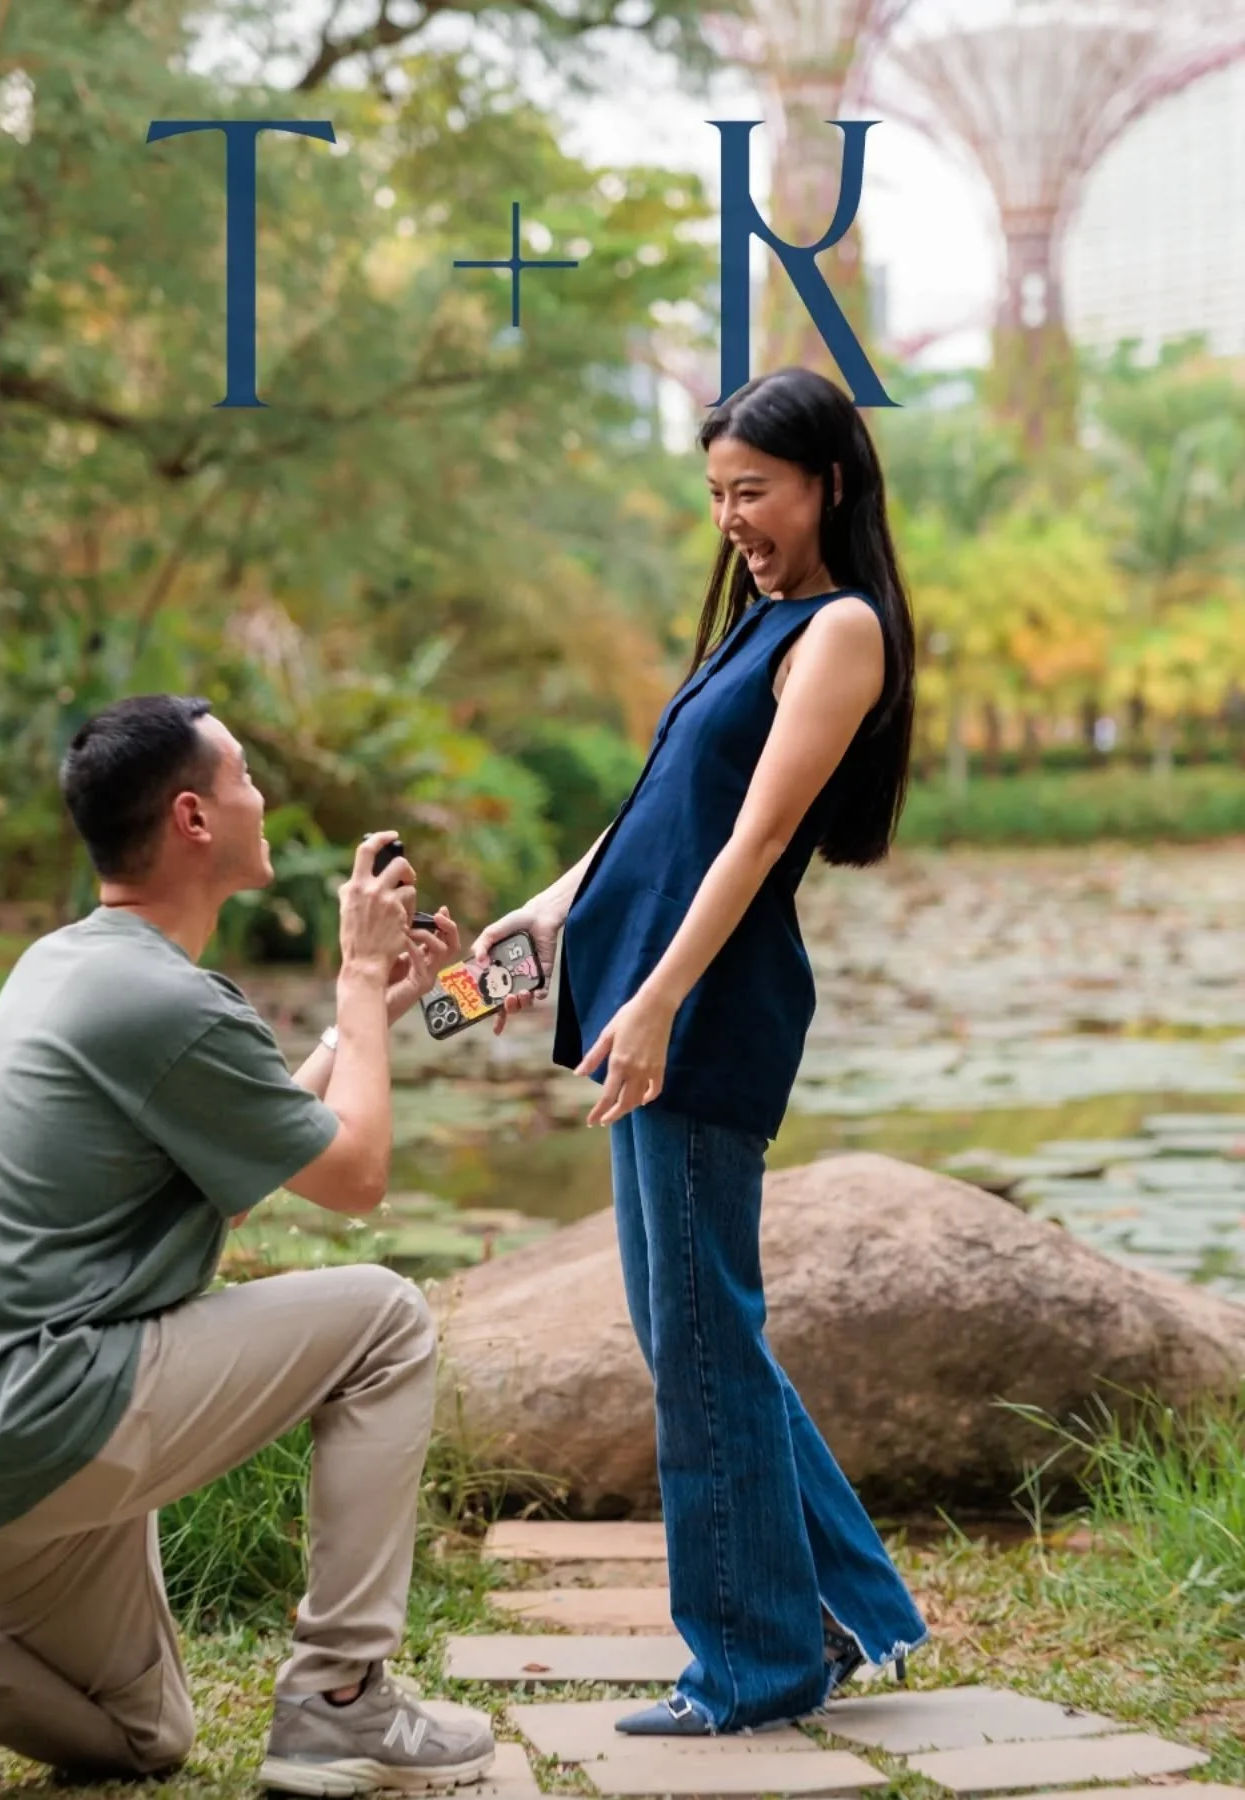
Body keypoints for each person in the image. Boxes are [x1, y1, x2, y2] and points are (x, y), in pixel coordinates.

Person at [0, 695, 496, 1796]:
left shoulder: (75, 964)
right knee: (386, 1319)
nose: (262, 798)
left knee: (143, 1736)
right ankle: (341, 1695)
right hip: (37, 1410)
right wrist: (360, 979)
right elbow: (358, 1180)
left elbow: (254, 1156)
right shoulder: (159, 999)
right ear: (192, 817)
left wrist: (364, 1018)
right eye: (245, 780)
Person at [474, 368, 930, 1737]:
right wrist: (554, 909)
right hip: (651, 989)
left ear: (829, 483)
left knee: (698, 1336)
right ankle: (846, 1612)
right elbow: (666, 805)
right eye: (719, 493)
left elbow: (753, 840)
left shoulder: (840, 630)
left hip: (709, 1007)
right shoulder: (758, 622)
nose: (733, 516)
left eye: (756, 490)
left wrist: (665, 996)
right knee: (703, 1331)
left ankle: (753, 1663)